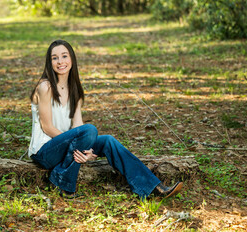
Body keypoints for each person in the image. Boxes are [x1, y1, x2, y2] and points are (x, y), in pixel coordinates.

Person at [28, 39, 183, 199]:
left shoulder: (75, 90)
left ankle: (152, 187)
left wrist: (85, 149)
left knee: (108, 140)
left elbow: (77, 126)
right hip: (45, 152)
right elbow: (46, 127)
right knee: (90, 130)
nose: (60, 61)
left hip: (68, 147)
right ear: (50, 62)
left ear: (72, 59)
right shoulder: (45, 87)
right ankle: (63, 180)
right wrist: (77, 147)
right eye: (54, 58)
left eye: (64, 56)